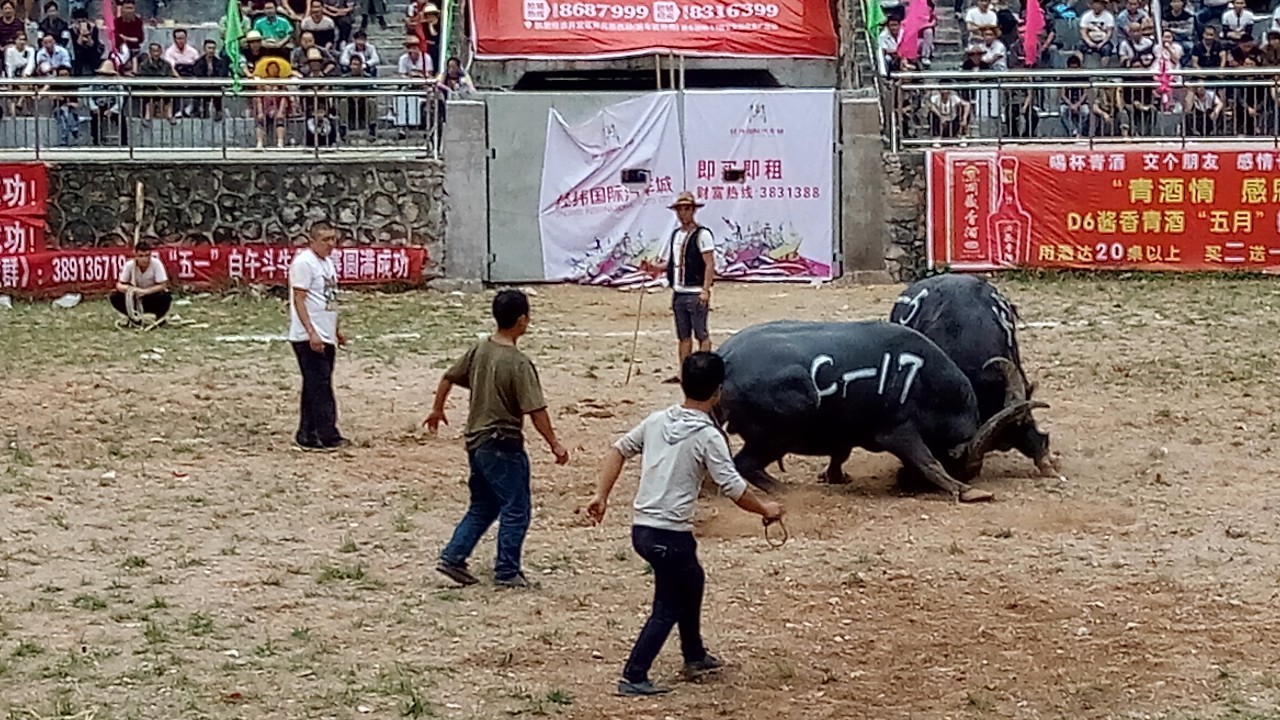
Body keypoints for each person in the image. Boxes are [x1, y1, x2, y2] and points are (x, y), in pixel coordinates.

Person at [587, 351, 785, 697]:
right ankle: (634, 674)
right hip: (670, 534)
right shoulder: (708, 437)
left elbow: (619, 449)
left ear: (682, 383)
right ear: (718, 392)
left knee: (692, 580)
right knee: (669, 602)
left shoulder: (657, 421)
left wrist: (601, 495)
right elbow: (733, 487)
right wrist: (765, 508)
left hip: (644, 529)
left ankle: (694, 654)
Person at [426, 289, 570, 590]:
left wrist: (437, 409)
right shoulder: (518, 363)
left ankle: (454, 556)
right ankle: (507, 570)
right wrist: (554, 443)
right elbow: (536, 410)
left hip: (476, 441)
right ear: (522, 320)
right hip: (503, 443)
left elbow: (448, 377)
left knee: (484, 505)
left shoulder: (481, 349)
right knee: (516, 507)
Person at [287, 221, 350, 452]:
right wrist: (311, 332)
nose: (330, 244)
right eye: (325, 240)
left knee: (315, 385)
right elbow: (299, 299)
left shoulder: (327, 264)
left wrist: (336, 329)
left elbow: (330, 299)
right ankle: (328, 434)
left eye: (333, 239)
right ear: (312, 240)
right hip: (309, 335)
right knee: (321, 386)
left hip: (326, 332)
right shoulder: (304, 263)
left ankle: (307, 432)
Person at [663, 191, 715, 384]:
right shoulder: (676, 235)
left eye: (686, 209)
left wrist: (705, 289)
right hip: (679, 291)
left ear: (693, 210)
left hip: (694, 291)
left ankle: (703, 373)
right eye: (680, 209)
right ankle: (685, 373)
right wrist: (653, 268)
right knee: (683, 336)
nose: (682, 213)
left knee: (701, 333)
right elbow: (673, 263)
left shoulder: (703, 234)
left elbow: (709, 264)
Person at [110, 242, 172, 326]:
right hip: (135, 298)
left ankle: (158, 318)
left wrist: (145, 291)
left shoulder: (156, 264)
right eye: (141, 256)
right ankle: (133, 317)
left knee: (165, 296)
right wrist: (131, 290)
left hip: (151, 296)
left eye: (147, 256)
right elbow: (119, 285)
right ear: (135, 256)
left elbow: (162, 285)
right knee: (114, 296)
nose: (145, 259)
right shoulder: (129, 266)